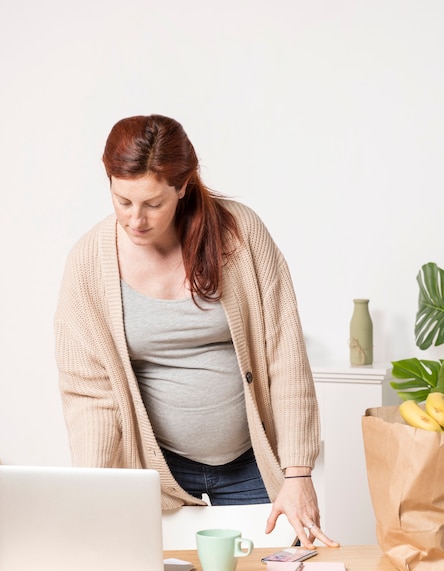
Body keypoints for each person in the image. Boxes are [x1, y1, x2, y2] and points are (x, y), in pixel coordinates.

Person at [54, 114, 338, 549]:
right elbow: (90, 393)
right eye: (122, 200)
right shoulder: (89, 262)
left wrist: (297, 473)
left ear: (182, 186)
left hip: (251, 465)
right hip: (154, 471)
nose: (136, 219)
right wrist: (92, 489)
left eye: (153, 203)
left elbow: (284, 354)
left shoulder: (240, 236)